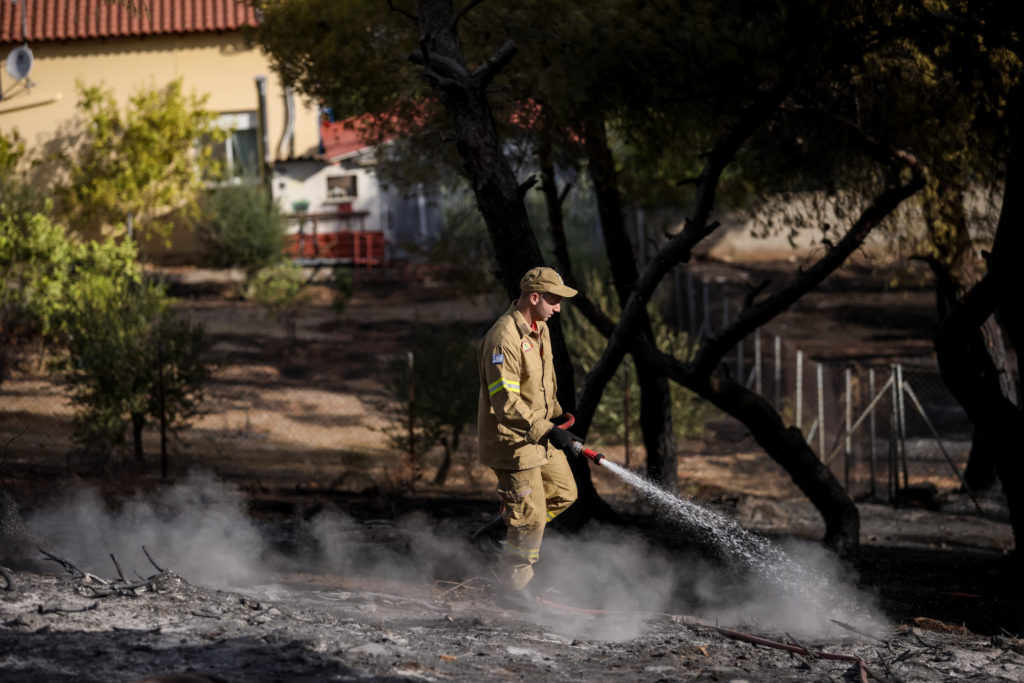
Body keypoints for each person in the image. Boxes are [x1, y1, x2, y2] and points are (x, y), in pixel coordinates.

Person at [477, 266, 582, 604]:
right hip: (512, 442)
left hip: (541, 435)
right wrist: (547, 429)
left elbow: (540, 388)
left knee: (564, 493)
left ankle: (505, 528)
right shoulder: (503, 338)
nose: (558, 307)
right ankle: (514, 589)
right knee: (531, 519)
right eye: (554, 300)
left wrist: (558, 422)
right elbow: (505, 403)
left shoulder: (540, 329)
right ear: (534, 297)